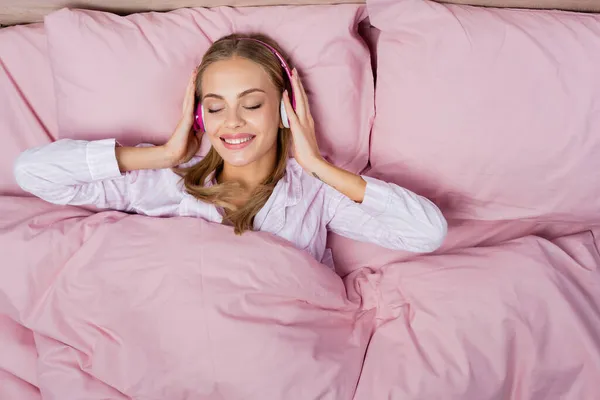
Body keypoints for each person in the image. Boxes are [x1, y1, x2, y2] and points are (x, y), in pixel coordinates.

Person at [13, 33, 447, 270]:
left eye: (252, 104)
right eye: (215, 107)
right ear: (199, 117)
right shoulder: (165, 179)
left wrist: (315, 163)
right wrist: (162, 155)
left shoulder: (315, 194)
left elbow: (426, 233)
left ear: (285, 110)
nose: (232, 122)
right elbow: (34, 173)